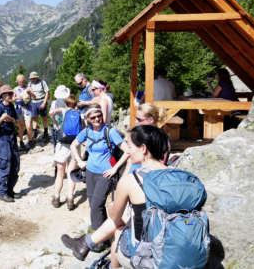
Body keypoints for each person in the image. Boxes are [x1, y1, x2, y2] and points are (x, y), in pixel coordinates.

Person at [61, 125, 171, 269]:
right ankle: (85, 244)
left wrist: (116, 206)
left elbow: (115, 218)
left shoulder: (132, 180)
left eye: (130, 147)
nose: (127, 152)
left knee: (118, 230)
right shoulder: (178, 174)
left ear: (143, 149)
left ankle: (103, 258)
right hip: (173, 247)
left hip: (146, 254)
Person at [70, 105, 129, 237]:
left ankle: (97, 237)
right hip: (90, 172)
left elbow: (127, 151)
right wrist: (79, 161)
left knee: (97, 204)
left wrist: (115, 168)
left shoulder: (110, 131)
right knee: (93, 203)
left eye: (99, 116)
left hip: (105, 174)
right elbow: (73, 145)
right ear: (88, 119)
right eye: (93, 117)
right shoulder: (86, 131)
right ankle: (105, 235)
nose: (97, 119)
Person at [0, 85, 22, 203]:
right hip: (3, 140)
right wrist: (2, 118)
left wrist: (11, 119)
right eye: (8, 94)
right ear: (3, 95)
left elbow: (17, 122)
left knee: (15, 165)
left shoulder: (11, 106)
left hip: (12, 138)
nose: (11, 95)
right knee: (5, 166)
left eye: (11, 93)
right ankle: (2, 193)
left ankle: (10, 190)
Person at [49, 86, 79, 210]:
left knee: (60, 173)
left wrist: (56, 125)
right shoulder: (78, 113)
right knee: (71, 173)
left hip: (63, 144)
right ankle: (70, 199)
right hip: (75, 145)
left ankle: (56, 198)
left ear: (66, 103)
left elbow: (51, 113)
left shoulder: (63, 110)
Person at [27, 72, 50, 142]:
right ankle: (35, 132)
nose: (32, 79)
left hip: (41, 101)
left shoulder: (42, 82)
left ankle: (46, 131)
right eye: (31, 78)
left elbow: (47, 93)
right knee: (34, 117)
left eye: (33, 78)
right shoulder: (30, 84)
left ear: (37, 77)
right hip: (33, 102)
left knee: (44, 117)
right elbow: (28, 93)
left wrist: (44, 102)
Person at [13, 74, 32, 150]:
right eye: (20, 81)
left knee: (28, 126)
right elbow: (12, 99)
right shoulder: (15, 89)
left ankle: (30, 140)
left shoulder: (28, 88)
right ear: (17, 81)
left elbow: (34, 97)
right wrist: (20, 97)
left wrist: (31, 93)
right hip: (19, 108)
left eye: (23, 81)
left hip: (27, 108)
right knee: (21, 127)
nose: (21, 83)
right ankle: (21, 142)